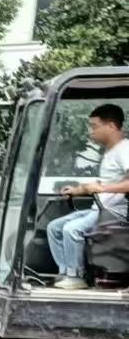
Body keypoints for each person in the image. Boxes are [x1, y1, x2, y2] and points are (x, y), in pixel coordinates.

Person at [47, 104, 129, 290]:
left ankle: (76, 276)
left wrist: (101, 188)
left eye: (94, 126)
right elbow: (105, 183)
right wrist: (79, 190)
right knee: (55, 227)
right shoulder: (111, 151)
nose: (91, 132)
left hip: (113, 212)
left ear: (111, 126)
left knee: (72, 229)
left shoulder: (125, 149)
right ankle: (66, 272)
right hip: (99, 209)